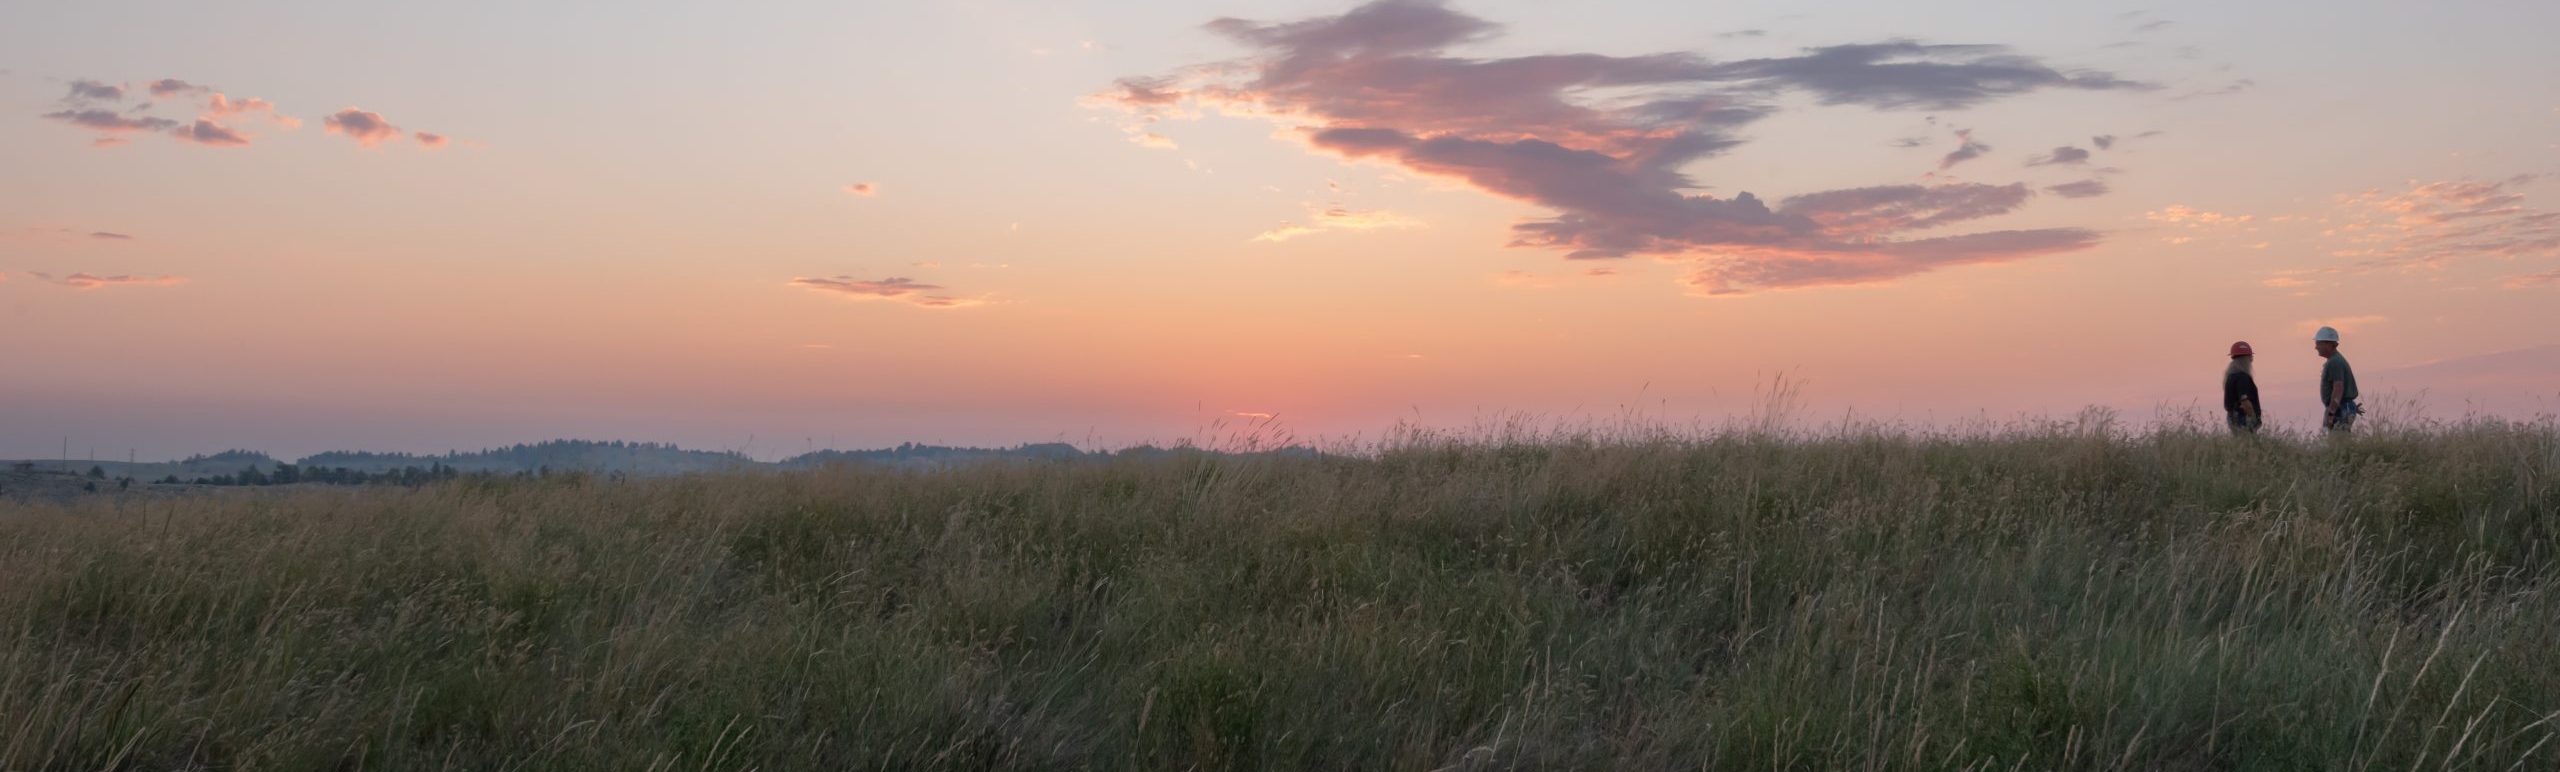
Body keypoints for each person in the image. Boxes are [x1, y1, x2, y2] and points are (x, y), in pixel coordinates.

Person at [2314, 326, 2360, 432]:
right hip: (2342, 407)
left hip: (2340, 408)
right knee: (2338, 439)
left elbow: (2338, 389)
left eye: (2318, 343)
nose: (2316, 347)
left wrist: (2331, 413)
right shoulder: (2335, 360)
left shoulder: (2335, 362)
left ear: (2328, 344)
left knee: (2338, 439)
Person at [2222, 341, 2262, 434]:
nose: (2251, 360)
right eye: (2250, 357)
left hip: (2232, 417)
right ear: (2245, 359)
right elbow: (2244, 401)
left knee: (2239, 442)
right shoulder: (2242, 377)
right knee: (2248, 441)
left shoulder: (2230, 377)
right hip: (2242, 418)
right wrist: (2254, 419)